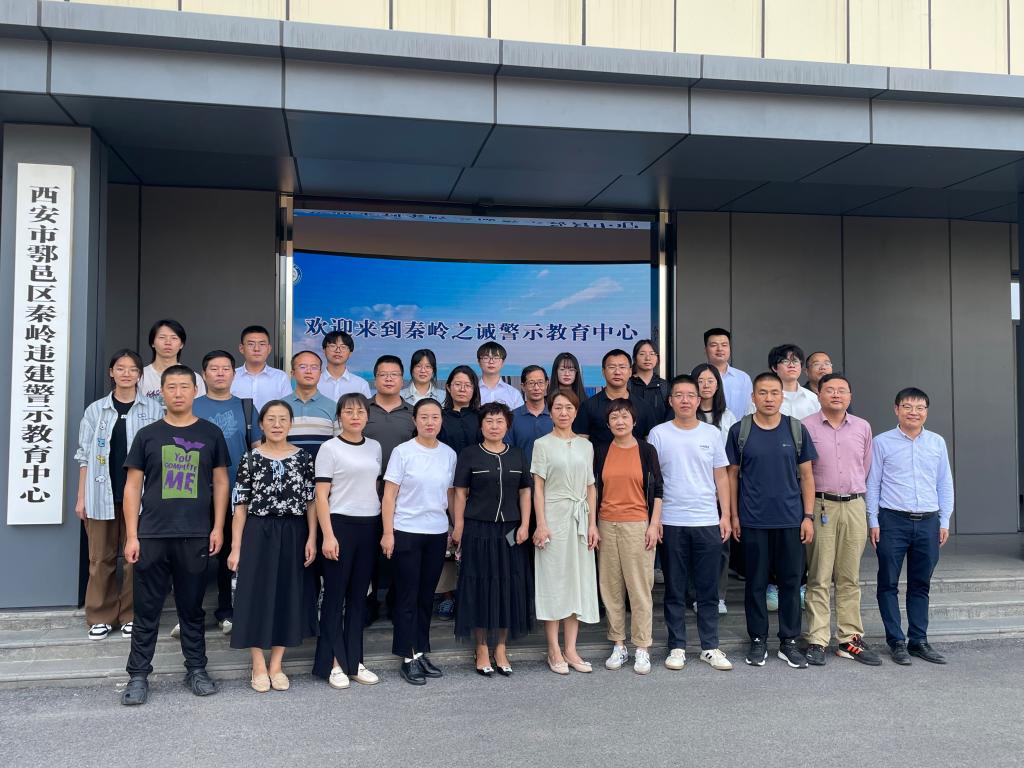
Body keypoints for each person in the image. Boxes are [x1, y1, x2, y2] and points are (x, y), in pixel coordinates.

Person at [120, 365, 230, 706]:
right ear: (162, 393)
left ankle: (196, 669)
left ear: (195, 391)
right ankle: (138, 675)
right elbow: (132, 486)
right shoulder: (147, 435)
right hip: (152, 535)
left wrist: (218, 526)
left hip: (195, 534)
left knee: (192, 608)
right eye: (172, 387)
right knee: (147, 609)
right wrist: (132, 535)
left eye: (185, 386)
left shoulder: (211, 433)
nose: (178, 393)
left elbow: (221, 482)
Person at [726, 372, 817, 670]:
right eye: (762, 393)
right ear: (753, 397)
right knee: (755, 583)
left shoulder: (796, 429)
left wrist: (807, 516)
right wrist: (734, 515)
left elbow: (807, 476)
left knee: (791, 582)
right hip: (752, 521)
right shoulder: (740, 431)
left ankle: (789, 641)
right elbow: (732, 476)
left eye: (774, 393)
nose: (768, 398)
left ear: (782, 396)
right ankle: (758, 640)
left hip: (790, 520)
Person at [227, 400, 317, 692]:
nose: (277, 424)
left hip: (294, 531)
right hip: (258, 530)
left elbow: (311, 502)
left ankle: (276, 664)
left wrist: (312, 537)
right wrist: (236, 547)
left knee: (287, 595)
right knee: (254, 594)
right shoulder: (250, 458)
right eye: (271, 419)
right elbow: (240, 506)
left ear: (290, 424)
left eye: (283, 419)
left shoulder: (304, 458)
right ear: (261, 424)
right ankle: (257, 663)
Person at [75, 350, 162, 641]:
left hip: (141, 498)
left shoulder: (153, 410)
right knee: (100, 558)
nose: (126, 373)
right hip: (100, 493)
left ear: (140, 374)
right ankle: (100, 615)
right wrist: (81, 497)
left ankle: (132, 615)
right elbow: (84, 456)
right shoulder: (95, 410)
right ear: (111, 372)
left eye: (132, 369)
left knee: (136, 557)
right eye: (120, 368)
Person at [649, 376, 734, 672]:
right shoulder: (659, 434)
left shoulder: (711, 433)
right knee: (674, 588)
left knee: (707, 589)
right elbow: (653, 481)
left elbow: (721, 475)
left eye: (690, 395)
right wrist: (655, 520)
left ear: (699, 401)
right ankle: (677, 646)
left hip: (706, 520)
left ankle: (710, 646)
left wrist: (725, 515)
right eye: (679, 395)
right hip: (671, 521)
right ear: (670, 400)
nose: (685, 400)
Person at [867, 387, 954, 666]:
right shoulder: (882, 442)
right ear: (896, 409)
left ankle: (918, 640)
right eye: (907, 406)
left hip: (928, 522)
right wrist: (873, 520)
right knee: (888, 583)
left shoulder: (937, 442)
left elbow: (945, 482)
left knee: (921, 584)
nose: (913, 412)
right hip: (892, 521)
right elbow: (873, 483)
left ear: (926, 411)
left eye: (919, 408)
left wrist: (944, 520)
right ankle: (896, 641)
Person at [801, 373, 879, 667]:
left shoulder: (862, 427)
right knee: (819, 576)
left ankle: (849, 639)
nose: (836, 394)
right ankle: (817, 639)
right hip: (821, 504)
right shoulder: (805, 426)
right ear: (819, 395)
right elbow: (802, 472)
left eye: (842, 390)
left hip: (854, 505)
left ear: (850, 396)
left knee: (849, 576)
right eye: (830, 390)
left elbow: (865, 466)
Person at [451, 402, 533, 676]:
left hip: (510, 531)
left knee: (508, 585)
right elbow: (460, 493)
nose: (494, 426)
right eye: (489, 421)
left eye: (499, 422)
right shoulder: (470, 454)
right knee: (480, 586)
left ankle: (501, 647)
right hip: (478, 529)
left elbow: (525, 492)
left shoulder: (517, 454)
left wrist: (525, 525)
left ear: (507, 426)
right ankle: (482, 647)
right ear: (481, 425)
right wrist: (459, 526)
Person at [381, 399, 458, 685]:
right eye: (424, 417)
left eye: (435, 417)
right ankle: (407, 656)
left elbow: (450, 495)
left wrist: (455, 526)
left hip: (436, 532)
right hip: (406, 530)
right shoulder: (403, 452)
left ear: (441, 421)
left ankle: (421, 650)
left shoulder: (448, 454)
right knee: (407, 596)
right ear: (414, 420)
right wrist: (388, 532)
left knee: (426, 596)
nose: (429, 422)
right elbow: (389, 496)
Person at [312, 393, 383, 689]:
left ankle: (355, 661)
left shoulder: (375, 447)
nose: (355, 416)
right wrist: (328, 535)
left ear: (368, 416)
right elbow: (320, 496)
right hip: (339, 525)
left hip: (370, 525)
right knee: (334, 596)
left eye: (360, 411)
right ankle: (333, 662)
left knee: (358, 598)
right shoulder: (329, 448)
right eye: (349, 411)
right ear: (339, 416)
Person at [192, 350, 263, 637]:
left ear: (234, 374)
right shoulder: (193, 406)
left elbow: (257, 449)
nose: (220, 373)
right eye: (214, 368)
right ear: (204, 374)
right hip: (196, 493)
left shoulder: (246, 407)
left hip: (237, 493)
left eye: (225, 368)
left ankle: (227, 611)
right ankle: (191, 613)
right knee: (194, 555)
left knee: (230, 555)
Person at [531, 390, 599, 676]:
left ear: (576, 411)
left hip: (580, 520)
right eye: (558, 407)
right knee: (553, 582)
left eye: (568, 407)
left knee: (576, 582)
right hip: (554, 518)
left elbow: (590, 486)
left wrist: (593, 523)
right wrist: (541, 523)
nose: (563, 412)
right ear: (551, 411)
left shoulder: (586, 445)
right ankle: (553, 648)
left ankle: (571, 648)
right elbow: (538, 487)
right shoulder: (542, 444)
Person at [593, 399, 663, 675]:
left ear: (634, 421)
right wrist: (593, 525)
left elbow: (658, 490)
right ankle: (619, 644)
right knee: (611, 588)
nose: (619, 421)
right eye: (614, 417)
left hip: (637, 525)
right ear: (607, 423)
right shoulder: (601, 451)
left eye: (624, 416)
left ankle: (642, 647)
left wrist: (653, 524)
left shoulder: (646, 450)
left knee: (639, 588)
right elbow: (593, 490)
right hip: (606, 524)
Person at [363, 355, 415, 625]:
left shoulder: (413, 413)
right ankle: (369, 603)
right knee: (368, 548)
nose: (388, 379)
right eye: (383, 374)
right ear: (375, 379)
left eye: (394, 374)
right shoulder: (363, 409)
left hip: (404, 493)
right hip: (366, 489)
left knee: (400, 548)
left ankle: (395, 602)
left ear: (402, 379)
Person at [689, 362, 738, 612]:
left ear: (718, 385)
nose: (705, 386)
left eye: (711, 381)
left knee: (720, 544)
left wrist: (724, 491)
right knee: (693, 546)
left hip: (721, 488)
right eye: (700, 381)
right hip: (692, 489)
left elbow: (731, 460)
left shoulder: (727, 416)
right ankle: (695, 595)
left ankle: (718, 595)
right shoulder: (686, 414)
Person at [573, 349, 657, 448]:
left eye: (622, 367)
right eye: (612, 367)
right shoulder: (588, 406)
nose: (617, 372)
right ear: (603, 372)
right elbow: (581, 445)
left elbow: (651, 443)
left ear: (630, 372)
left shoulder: (643, 406)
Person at [283, 350, 336, 460]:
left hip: (323, 469)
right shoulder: (280, 407)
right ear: (292, 373)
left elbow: (339, 446)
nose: (308, 371)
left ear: (320, 374)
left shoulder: (334, 407)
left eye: (314, 367)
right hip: (287, 468)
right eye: (302, 367)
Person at [140, 319, 206, 405]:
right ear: (152, 343)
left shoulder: (194, 378)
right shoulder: (140, 376)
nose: (168, 342)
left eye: (174, 338)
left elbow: (199, 409)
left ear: (181, 344)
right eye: (162, 337)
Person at [231, 325, 292, 410]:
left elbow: (287, 409)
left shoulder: (280, 377)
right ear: (241, 348)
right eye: (251, 344)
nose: (256, 349)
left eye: (262, 344)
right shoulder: (230, 376)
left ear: (269, 349)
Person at [753, 344, 820, 420]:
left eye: (795, 361)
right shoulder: (762, 398)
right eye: (785, 361)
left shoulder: (813, 398)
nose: (791, 365)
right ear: (774, 368)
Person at [507, 365, 553, 469]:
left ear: (546, 384)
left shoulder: (556, 415)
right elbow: (508, 451)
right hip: (522, 476)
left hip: (553, 476)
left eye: (540, 382)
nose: (536, 388)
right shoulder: (512, 417)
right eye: (531, 383)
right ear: (523, 386)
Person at [704, 327, 752, 420]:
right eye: (714, 345)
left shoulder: (743, 378)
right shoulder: (694, 377)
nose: (719, 349)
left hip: (738, 428)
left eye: (724, 345)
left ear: (730, 348)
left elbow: (750, 409)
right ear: (706, 349)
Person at [439, 365, 482, 457]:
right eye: (457, 384)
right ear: (448, 387)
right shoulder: (438, 417)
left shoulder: (482, 417)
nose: (462, 389)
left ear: (474, 389)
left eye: (468, 385)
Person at [318, 330, 371, 402]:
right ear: (324, 350)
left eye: (343, 347)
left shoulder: (361, 385)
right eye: (333, 346)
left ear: (350, 353)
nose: (338, 351)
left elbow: (366, 409)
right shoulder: (314, 382)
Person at [629, 339, 670, 422]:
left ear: (657, 358)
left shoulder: (665, 386)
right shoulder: (627, 385)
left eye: (652, 354)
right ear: (635, 358)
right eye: (642, 354)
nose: (648, 358)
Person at [477, 341, 524, 409]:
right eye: (486, 358)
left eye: (496, 358)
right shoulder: (471, 392)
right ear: (479, 362)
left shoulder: (514, 393)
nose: (491, 362)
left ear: (503, 362)